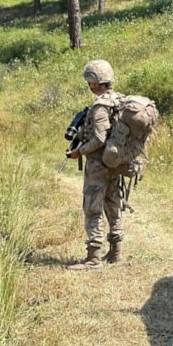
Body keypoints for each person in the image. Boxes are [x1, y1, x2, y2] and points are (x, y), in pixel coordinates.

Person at [65, 59, 124, 271]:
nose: (89, 85)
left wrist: (78, 151)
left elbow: (99, 139)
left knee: (93, 208)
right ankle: (116, 250)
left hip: (99, 164)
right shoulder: (119, 100)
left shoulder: (100, 106)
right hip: (114, 163)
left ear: (95, 82)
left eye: (90, 81)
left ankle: (93, 257)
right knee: (113, 203)